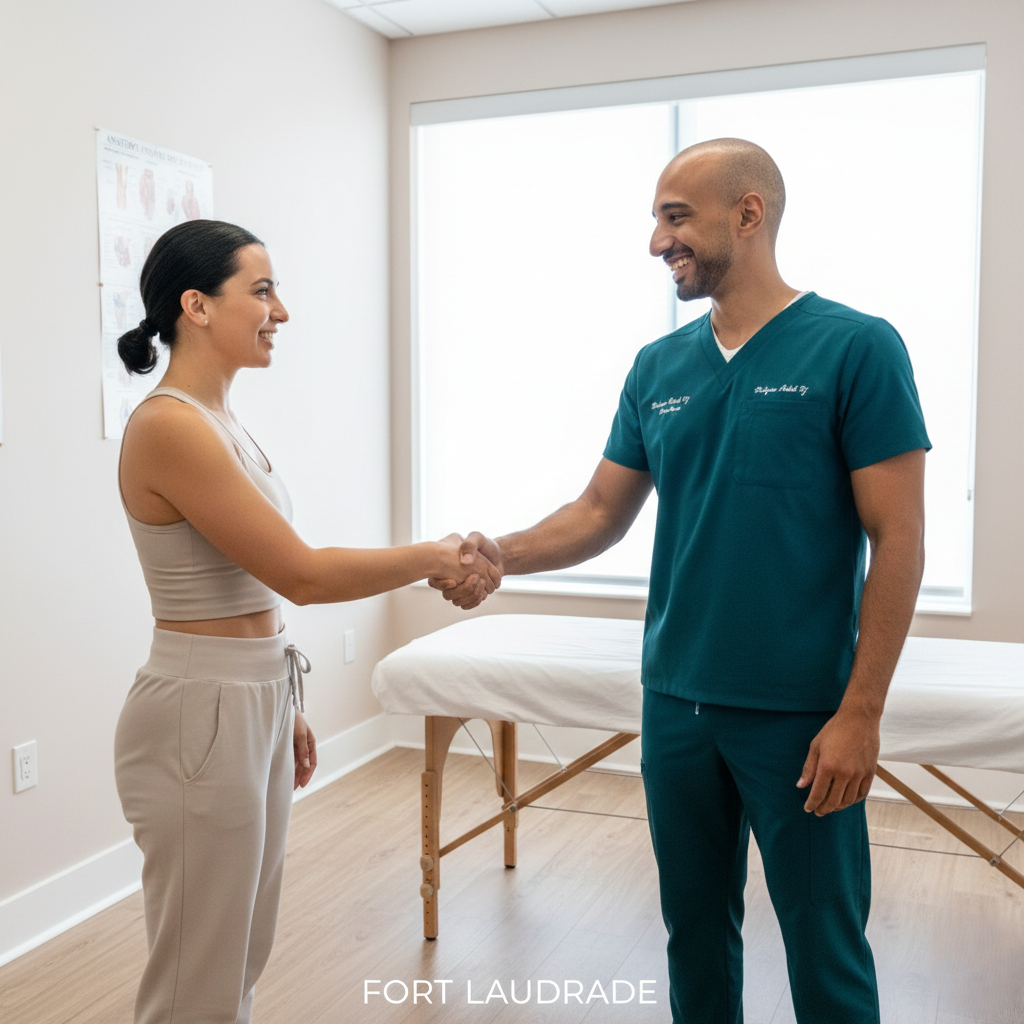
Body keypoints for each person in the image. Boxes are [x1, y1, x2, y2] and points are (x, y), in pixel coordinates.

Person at [431, 138, 930, 1023]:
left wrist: (861, 714)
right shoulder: (657, 370)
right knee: (694, 934)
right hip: (676, 705)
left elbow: (899, 539)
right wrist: (495, 555)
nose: (658, 242)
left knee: (826, 947)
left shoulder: (857, 348)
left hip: (802, 716)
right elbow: (596, 512)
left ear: (749, 213)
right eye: (656, 220)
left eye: (675, 217)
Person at [113, 219, 500, 1024]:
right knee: (198, 974)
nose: (279, 310)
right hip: (199, 708)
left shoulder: (222, 424)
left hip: (246, 698)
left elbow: (254, 595)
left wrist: (282, 707)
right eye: (261, 290)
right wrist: (434, 555)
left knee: (240, 953)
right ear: (197, 306)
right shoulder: (170, 426)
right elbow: (301, 573)